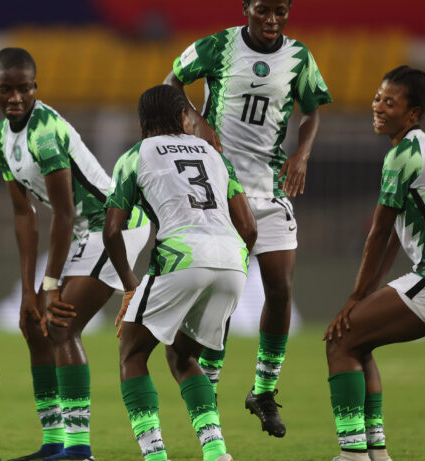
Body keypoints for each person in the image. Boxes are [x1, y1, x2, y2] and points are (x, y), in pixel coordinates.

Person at [163, 0, 332, 437]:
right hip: (220, 189)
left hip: (270, 190)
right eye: (263, 10)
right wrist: (195, 121)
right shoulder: (218, 46)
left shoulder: (299, 57)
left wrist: (302, 153)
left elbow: (313, 110)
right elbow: (171, 83)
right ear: (246, 8)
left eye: (280, 10)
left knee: (280, 289)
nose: (272, 19)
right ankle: (212, 386)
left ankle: (263, 390)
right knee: (223, 290)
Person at [0, 47, 150, 461]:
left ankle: (78, 450)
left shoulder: (44, 131)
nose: (16, 97)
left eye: (24, 88)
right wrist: (29, 291)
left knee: (60, 327)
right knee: (36, 327)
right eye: (6, 89)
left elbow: (63, 211)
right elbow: (25, 215)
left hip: (113, 224)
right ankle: (54, 442)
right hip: (83, 230)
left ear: (35, 88)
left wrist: (50, 286)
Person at [324, 65, 425, 461]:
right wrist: (362, 299)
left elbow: (378, 234)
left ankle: (353, 456)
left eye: (390, 102)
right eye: (378, 98)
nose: (378, 107)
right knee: (360, 341)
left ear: (412, 113)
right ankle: (375, 453)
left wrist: (354, 297)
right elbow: (397, 236)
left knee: (340, 340)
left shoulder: (402, 155)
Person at [103, 84, 256, 461]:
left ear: (142, 122)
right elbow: (250, 228)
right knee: (183, 358)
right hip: (232, 261)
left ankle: (155, 455)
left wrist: (129, 286)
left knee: (132, 355)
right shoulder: (216, 155)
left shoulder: (136, 155)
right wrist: (226, 264)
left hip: (182, 258)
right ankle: (217, 451)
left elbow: (111, 231)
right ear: (183, 118)